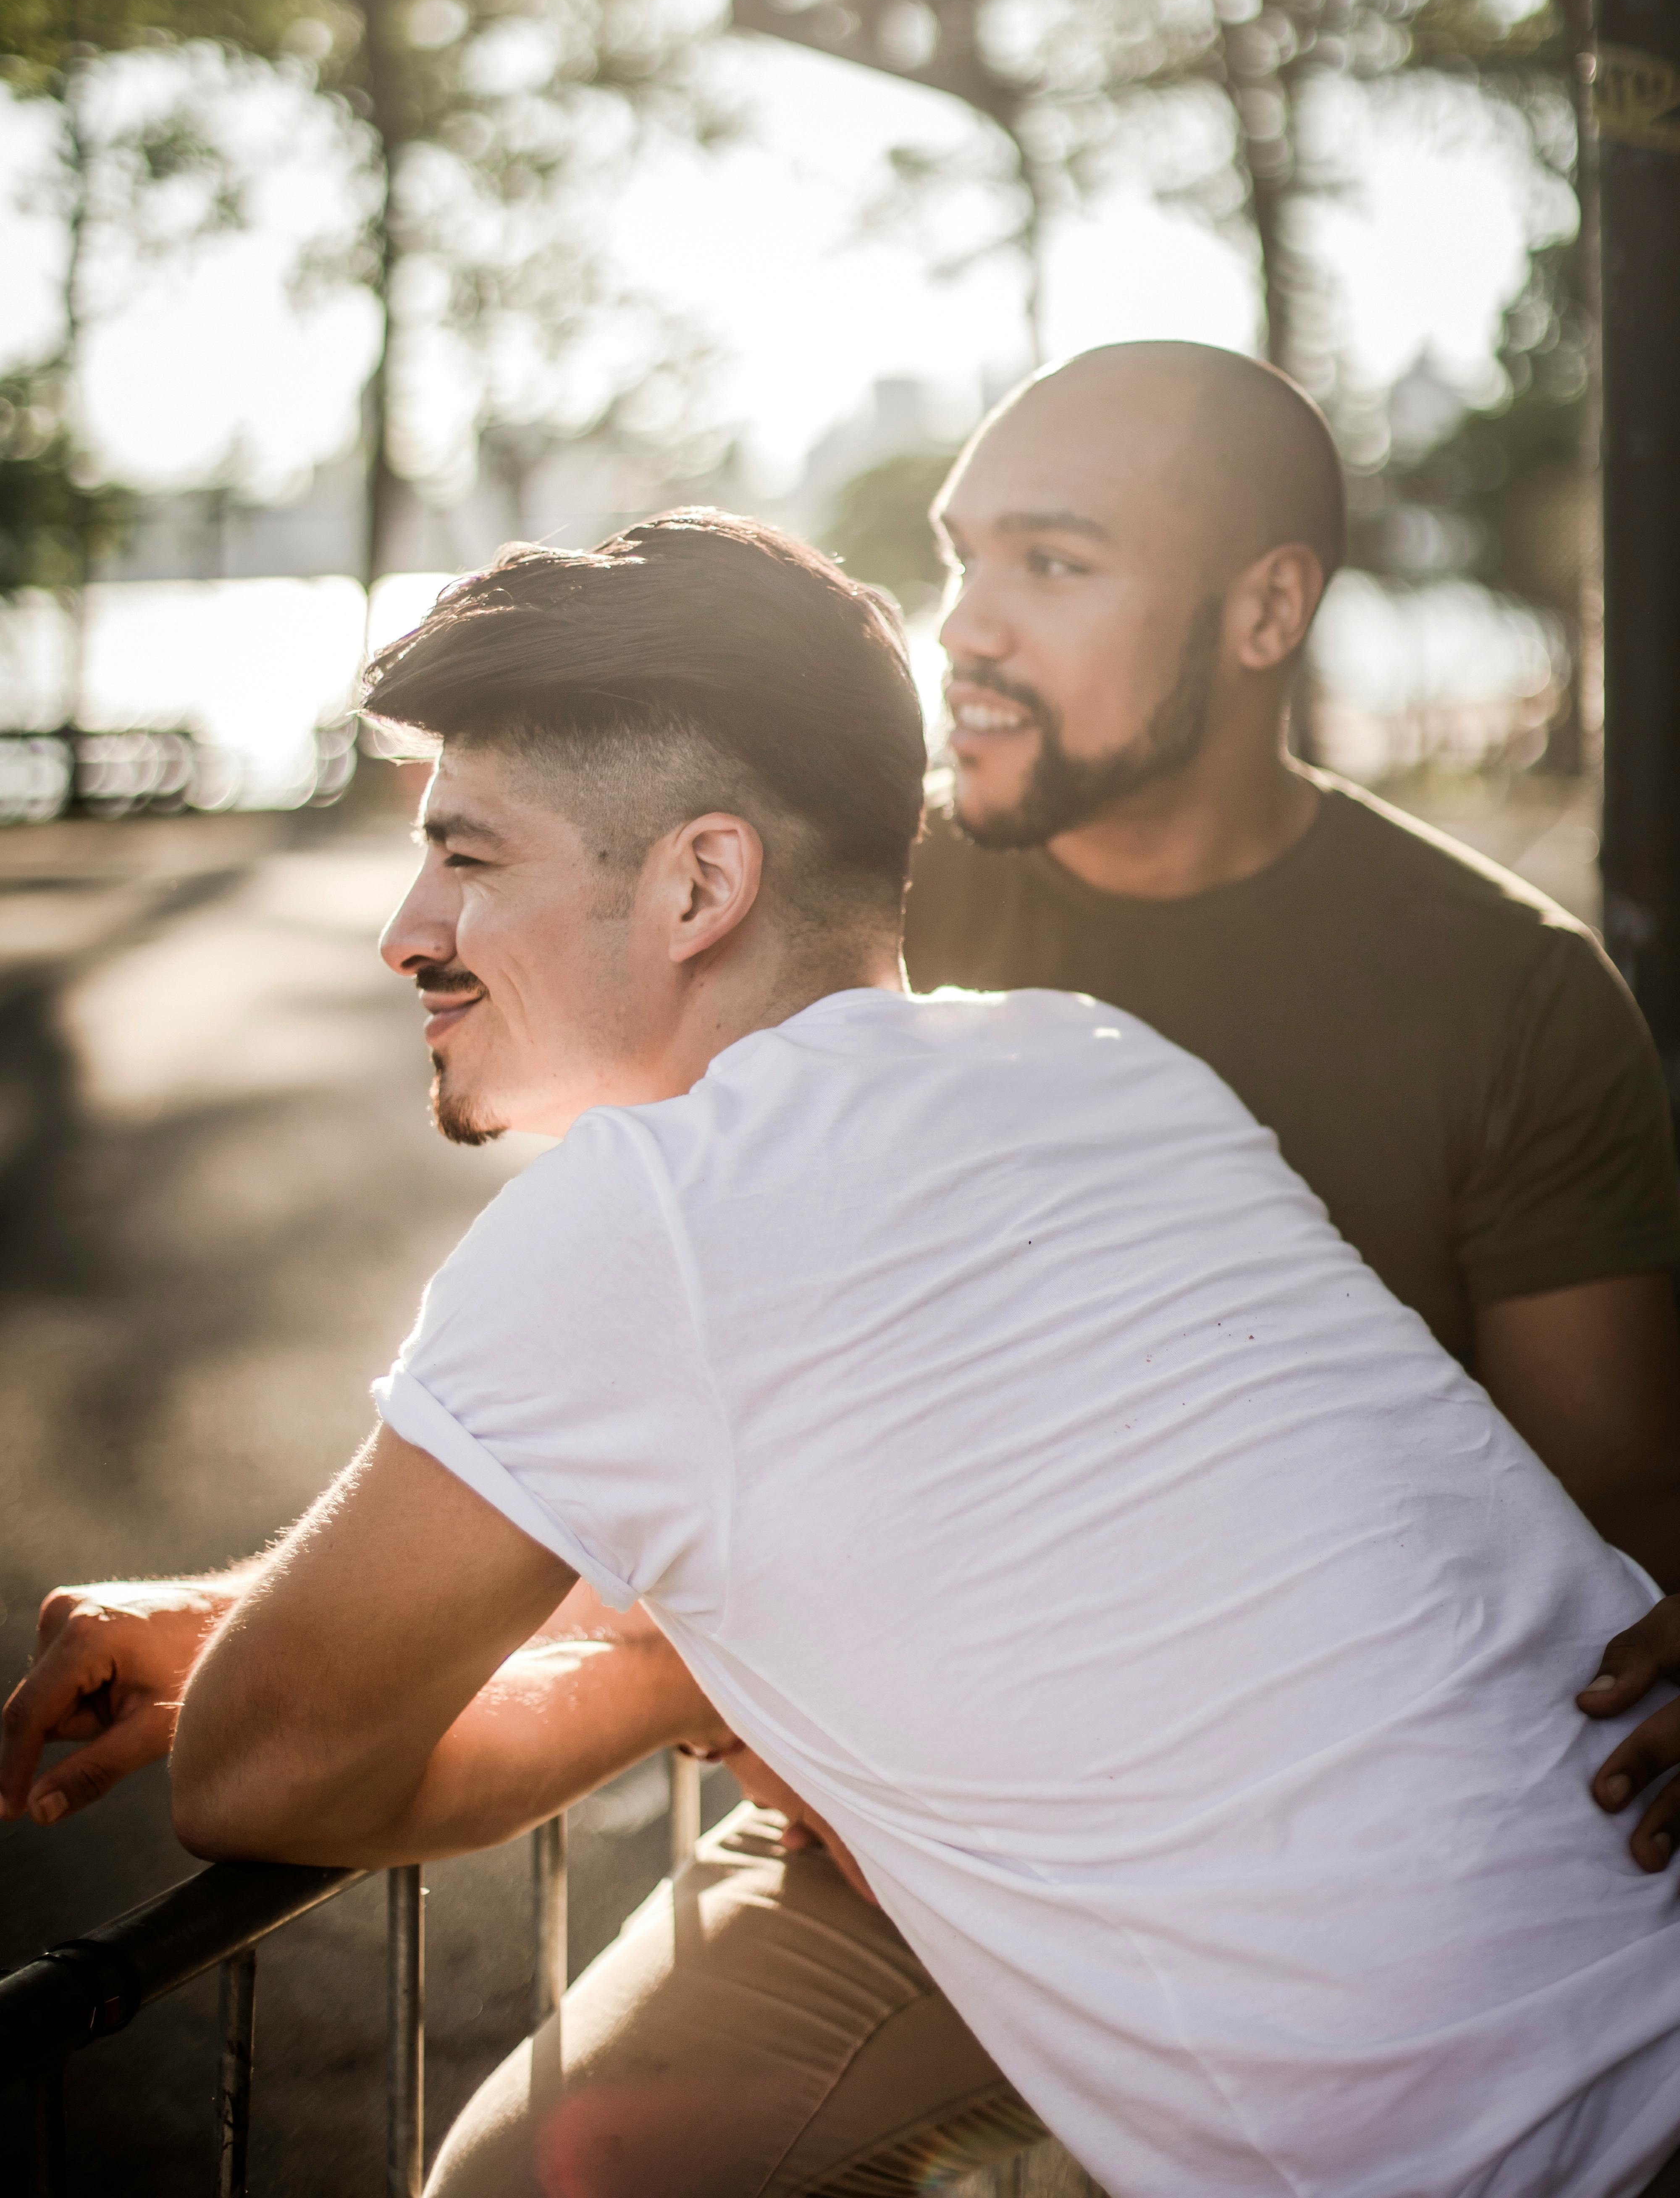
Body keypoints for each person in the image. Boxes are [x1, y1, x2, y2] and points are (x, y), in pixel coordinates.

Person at [11, 513, 1680, 2198]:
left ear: (699, 883)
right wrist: (248, 1616)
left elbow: (253, 1772)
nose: (408, 927)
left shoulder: (641, 1217)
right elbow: (879, 1526)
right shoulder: (1099, 1066)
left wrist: (654, 1683)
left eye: (471, 855)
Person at [906, 341, 1680, 1586]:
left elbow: (1602, 1537)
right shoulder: (855, 906)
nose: (963, 627)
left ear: (1268, 611)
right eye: (963, 557)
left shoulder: (1519, 1000)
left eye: (1051, 564)